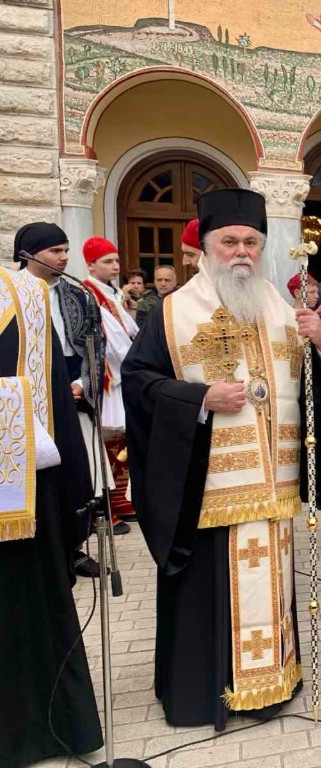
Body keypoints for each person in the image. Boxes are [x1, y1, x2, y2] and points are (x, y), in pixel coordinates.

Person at [122, 188, 321, 729]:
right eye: (230, 241)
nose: (241, 251)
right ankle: (202, 693)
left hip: (273, 487)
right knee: (206, 593)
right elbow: (139, 382)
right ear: (207, 246)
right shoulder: (174, 312)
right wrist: (200, 398)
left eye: (251, 242)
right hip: (207, 488)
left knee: (273, 590)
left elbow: (313, 389)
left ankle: (270, 685)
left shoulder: (282, 308)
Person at [0, 265, 103, 767]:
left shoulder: (25, 294)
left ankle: (39, 731)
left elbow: (54, 402)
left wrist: (72, 497)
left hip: (19, 489)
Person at [16, 223, 122, 563]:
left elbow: (95, 345)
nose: (63, 257)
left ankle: (75, 549)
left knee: (77, 472)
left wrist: (83, 383)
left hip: (73, 388)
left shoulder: (79, 294)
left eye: (65, 250)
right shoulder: (10, 294)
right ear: (28, 254)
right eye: (55, 251)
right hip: (28, 394)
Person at [82, 237, 139, 524]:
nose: (115, 266)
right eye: (107, 261)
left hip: (120, 375)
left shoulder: (111, 292)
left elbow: (129, 328)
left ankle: (120, 498)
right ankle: (108, 502)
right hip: (108, 375)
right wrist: (136, 360)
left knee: (123, 435)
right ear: (91, 265)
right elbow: (111, 338)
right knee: (109, 436)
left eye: (116, 260)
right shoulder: (87, 293)